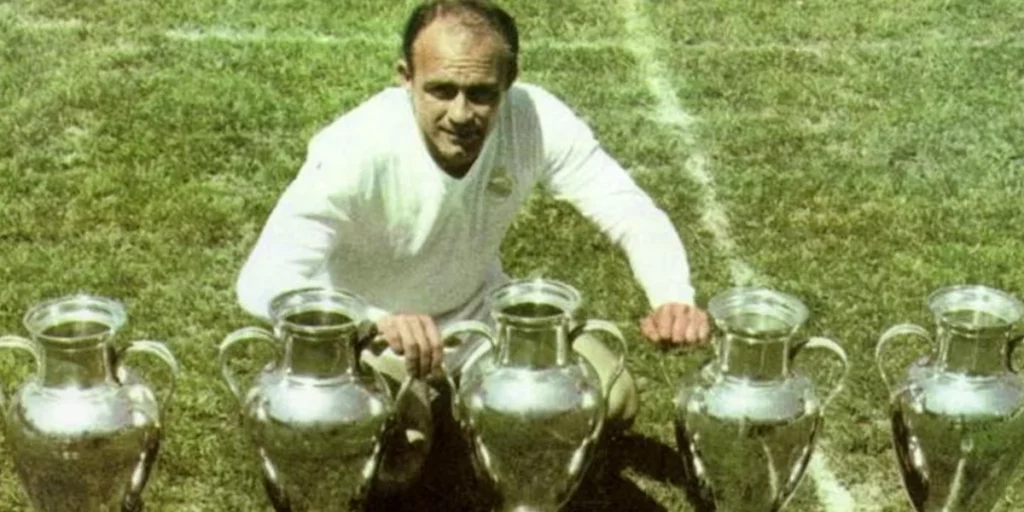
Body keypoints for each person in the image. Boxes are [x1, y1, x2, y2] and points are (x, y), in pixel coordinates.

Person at [235, 0, 710, 499]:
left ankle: (468, 422)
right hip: (376, 338)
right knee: (399, 460)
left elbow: (628, 208)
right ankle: (438, 416)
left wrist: (671, 296)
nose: (461, 114)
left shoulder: (536, 119)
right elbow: (263, 281)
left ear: (510, 80)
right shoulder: (353, 148)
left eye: (481, 94)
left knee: (610, 397)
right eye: (441, 90)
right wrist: (375, 320)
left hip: (479, 318)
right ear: (405, 77)